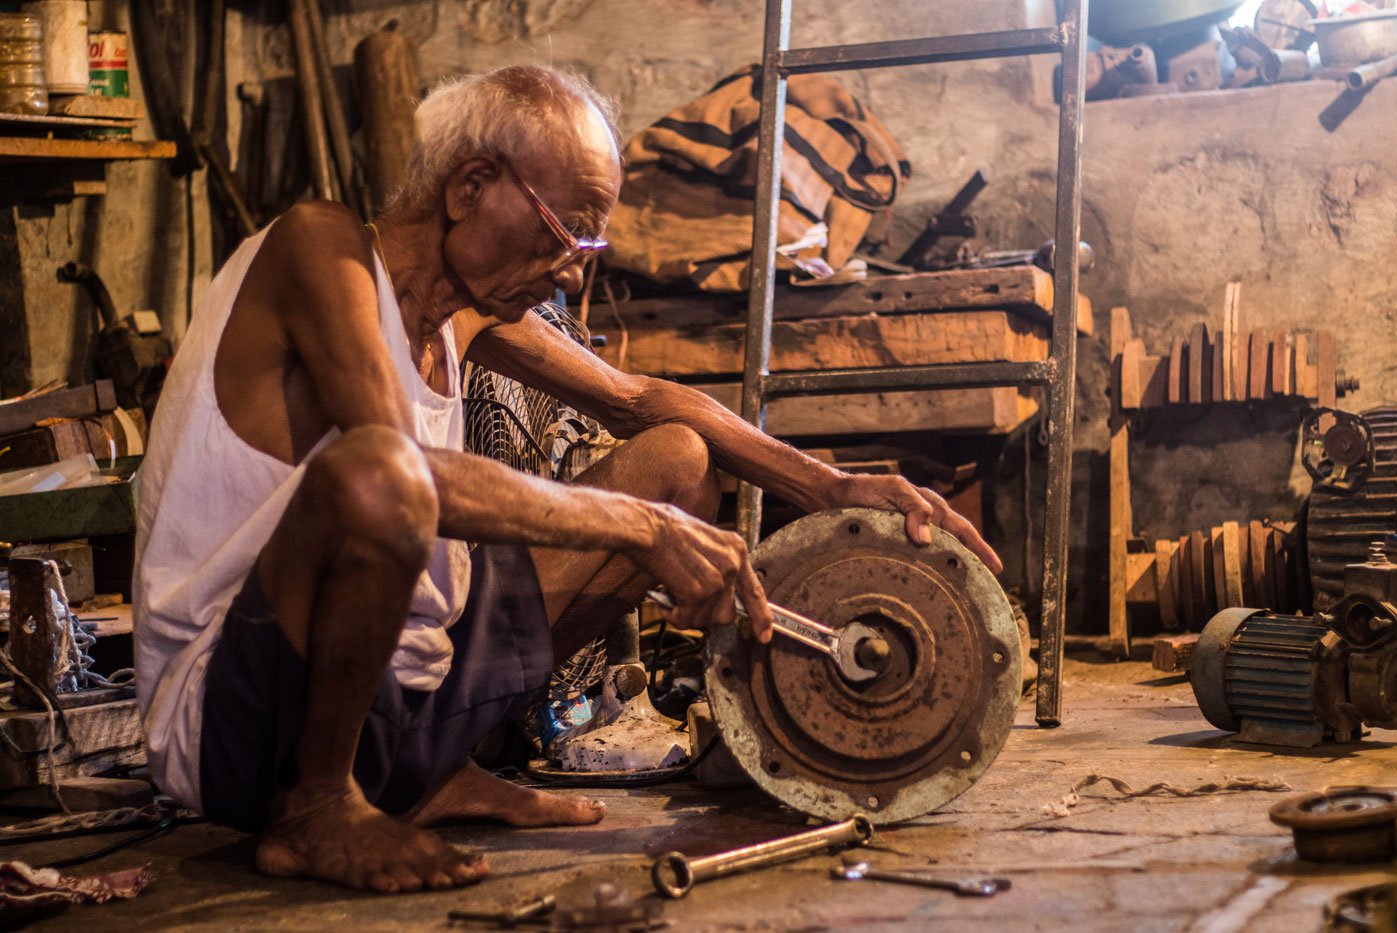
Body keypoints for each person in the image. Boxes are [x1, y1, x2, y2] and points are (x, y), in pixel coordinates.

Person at [133, 64, 1000, 895]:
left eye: (590, 245)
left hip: (394, 710)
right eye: (566, 234)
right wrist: (640, 530)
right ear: (471, 185)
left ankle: (429, 768)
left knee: (677, 460)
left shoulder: (458, 307)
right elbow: (408, 470)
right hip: (235, 728)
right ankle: (318, 804)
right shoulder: (319, 247)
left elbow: (634, 398)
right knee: (378, 477)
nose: (577, 272)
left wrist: (827, 486)